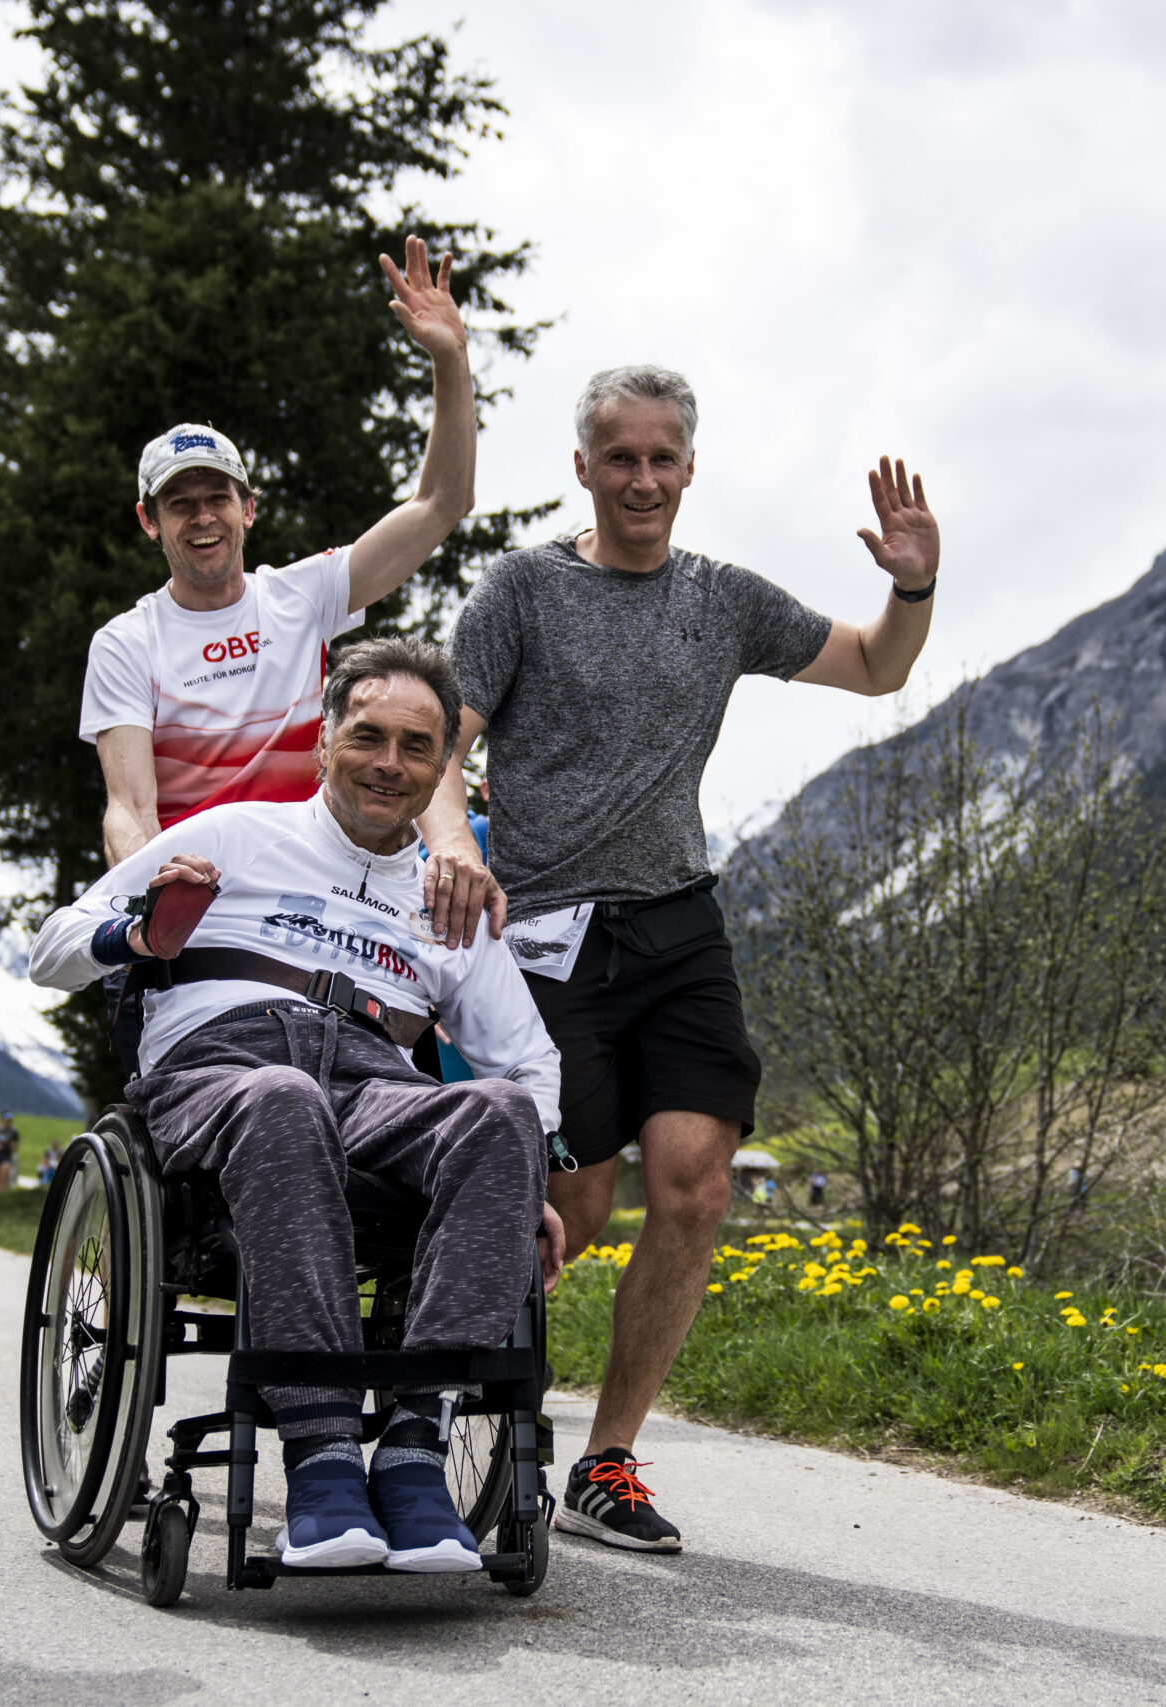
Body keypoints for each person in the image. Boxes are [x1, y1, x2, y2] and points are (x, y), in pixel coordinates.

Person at [418, 364, 940, 1553]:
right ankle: (465, 1394)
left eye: (662, 458)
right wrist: (453, 839)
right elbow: (446, 737)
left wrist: (914, 584)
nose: (641, 478)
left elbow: (875, 664)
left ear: (690, 469)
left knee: (698, 1185)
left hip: (677, 923)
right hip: (547, 928)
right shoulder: (524, 590)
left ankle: (604, 1462)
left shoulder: (725, 601)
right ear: (583, 468)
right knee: (575, 1205)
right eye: (620, 457)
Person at [30, 637, 565, 1573]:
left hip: (371, 1084)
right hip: (220, 1066)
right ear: (326, 737)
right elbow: (51, 946)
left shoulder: (446, 902)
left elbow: (530, 1063)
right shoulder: (235, 835)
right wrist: (137, 932)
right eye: (368, 736)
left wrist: (526, 1179)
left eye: (414, 746)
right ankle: (320, 1461)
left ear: (443, 767)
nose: (389, 763)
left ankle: (410, 1457)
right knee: (282, 1098)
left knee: (503, 1116)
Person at [78, 236, 476, 868]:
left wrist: (451, 359)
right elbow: (129, 808)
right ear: (148, 522)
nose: (203, 517)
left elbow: (441, 503)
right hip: (196, 886)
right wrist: (157, 889)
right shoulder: (127, 642)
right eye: (180, 504)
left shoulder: (304, 592)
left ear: (249, 509)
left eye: (219, 497)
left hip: (311, 877)